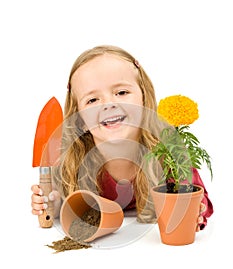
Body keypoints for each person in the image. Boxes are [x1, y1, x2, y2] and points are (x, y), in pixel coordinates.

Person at [31, 45, 213, 230]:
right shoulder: (71, 162)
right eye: (92, 100)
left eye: (121, 92)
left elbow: (196, 196)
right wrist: (52, 204)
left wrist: (196, 210)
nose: (109, 104)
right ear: (80, 120)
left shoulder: (167, 153)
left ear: (144, 98)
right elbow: (62, 204)